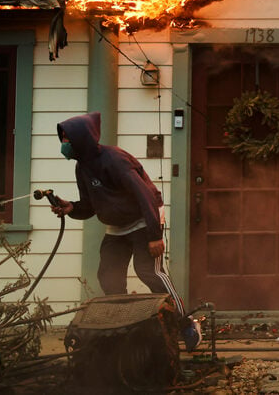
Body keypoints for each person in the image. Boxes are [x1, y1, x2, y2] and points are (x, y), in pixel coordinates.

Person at [51, 111, 201, 351]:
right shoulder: (82, 167)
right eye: (63, 140)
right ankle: (121, 328)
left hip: (144, 218)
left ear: (82, 138)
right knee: (108, 275)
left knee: (149, 272)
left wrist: (154, 235)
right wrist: (70, 208)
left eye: (67, 139)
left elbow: (145, 195)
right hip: (117, 226)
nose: (64, 144)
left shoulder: (114, 159)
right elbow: (90, 206)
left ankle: (186, 324)